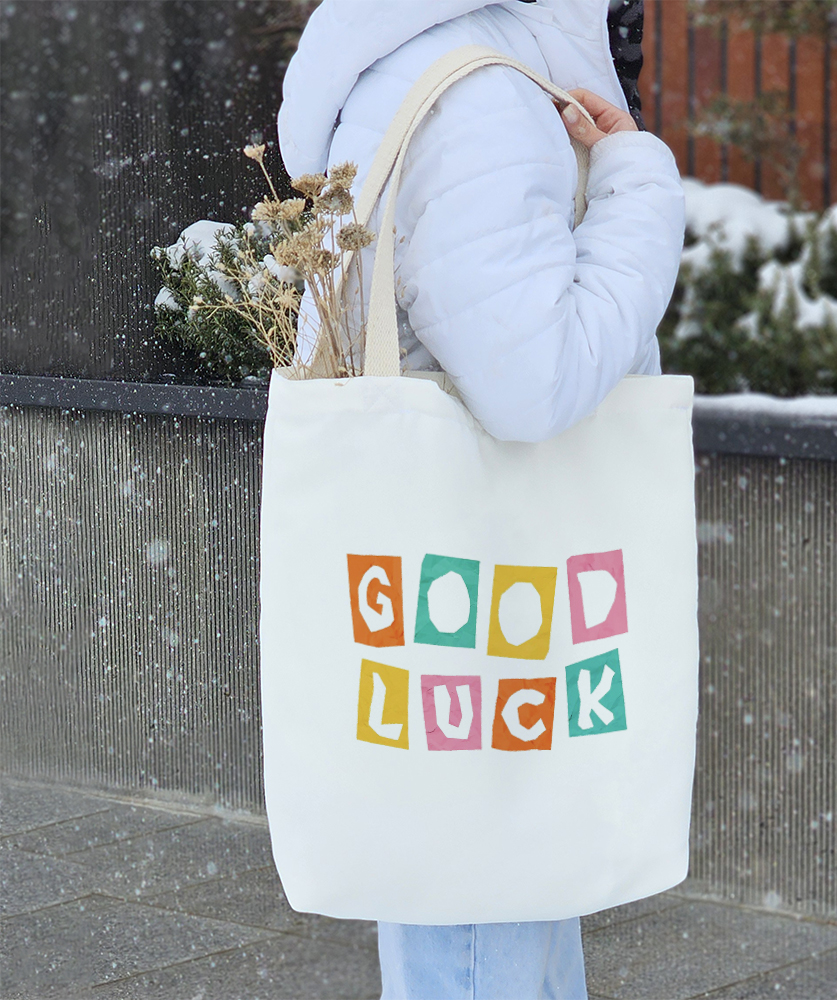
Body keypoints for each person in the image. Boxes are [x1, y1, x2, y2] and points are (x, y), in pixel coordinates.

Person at [278, 1, 685, 996]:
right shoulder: (479, 95)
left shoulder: (430, 60)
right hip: (491, 610)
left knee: (488, 887)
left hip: (462, 599)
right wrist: (637, 186)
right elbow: (532, 383)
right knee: (483, 910)